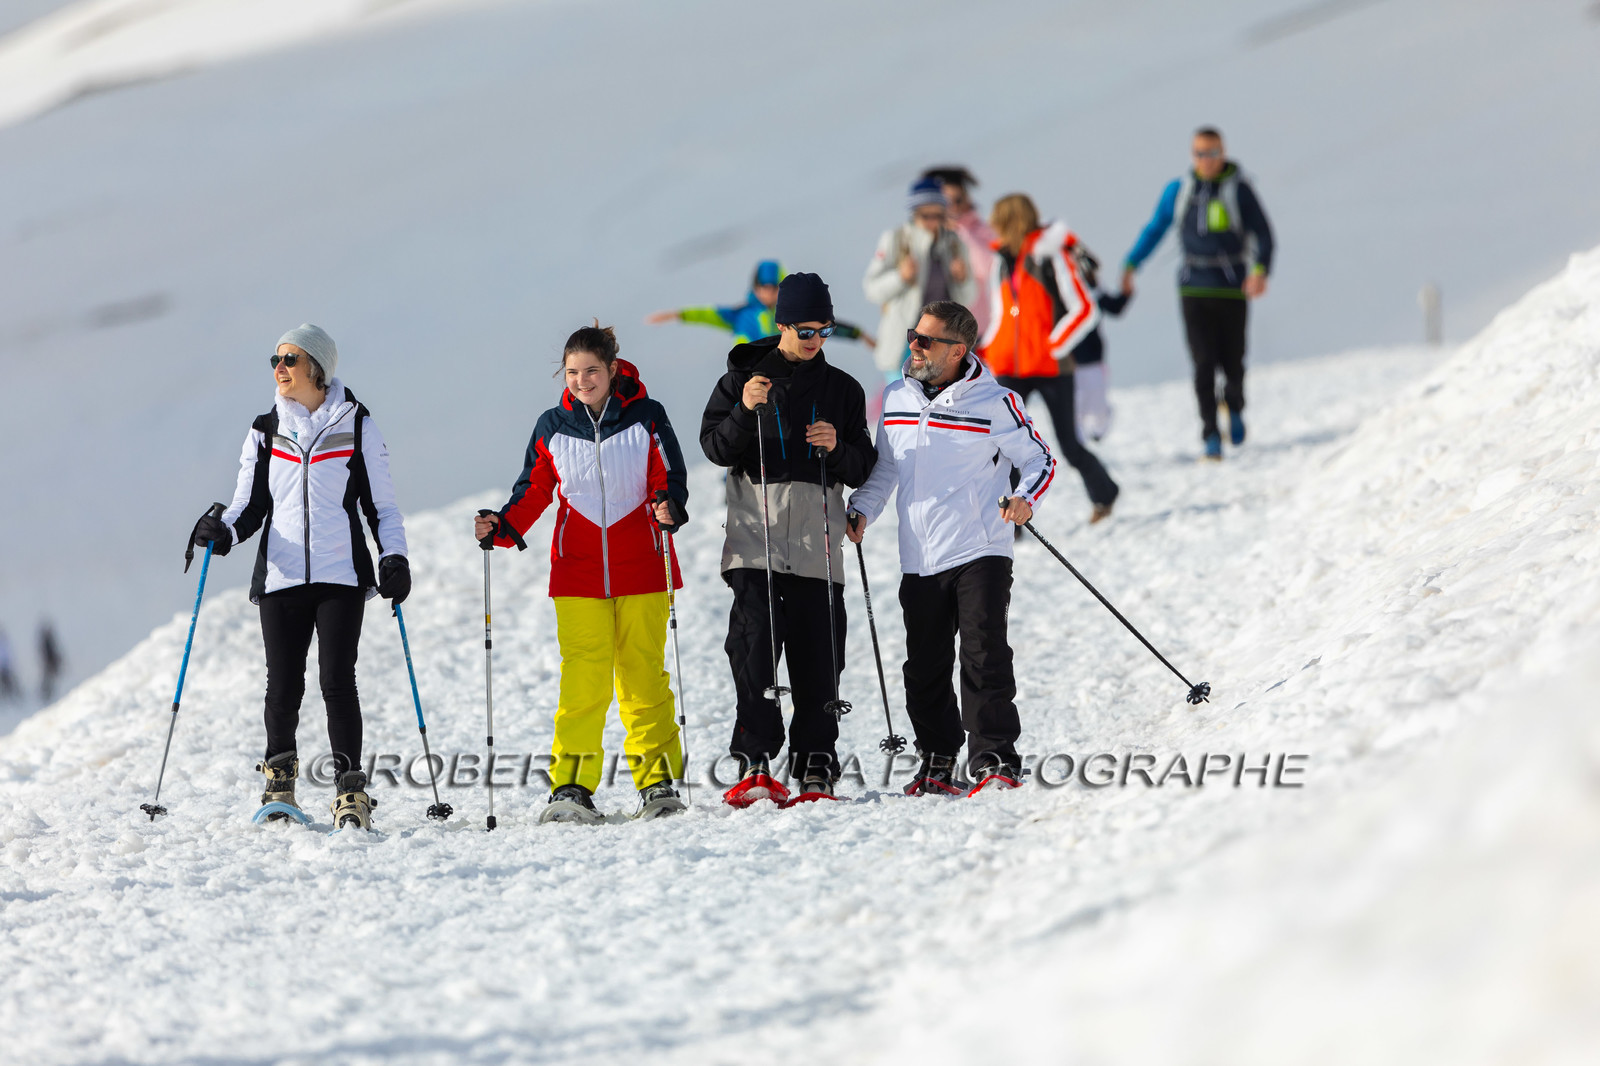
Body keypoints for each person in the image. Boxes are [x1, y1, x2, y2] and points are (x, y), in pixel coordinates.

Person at [191, 324, 410, 830]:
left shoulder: (357, 425)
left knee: (338, 682)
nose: (279, 368)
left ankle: (350, 793)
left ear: (317, 367)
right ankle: (280, 784)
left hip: (340, 575)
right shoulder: (266, 429)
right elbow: (249, 504)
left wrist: (393, 557)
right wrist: (222, 531)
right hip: (282, 575)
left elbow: (382, 506)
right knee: (283, 685)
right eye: (275, 359)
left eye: (290, 359)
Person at [476, 323, 690, 824]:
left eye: (591, 371)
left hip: (643, 568)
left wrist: (668, 507)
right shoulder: (553, 425)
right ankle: (571, 786)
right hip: (576, 574)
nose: (582, 380)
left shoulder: (647, 417)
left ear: (613, 370)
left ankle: (656, 782)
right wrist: (501, 526)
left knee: (643, 679)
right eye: (573, 372)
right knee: (583, 682)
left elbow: (669, 477)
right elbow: (533, 489)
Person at [846, 300, 1054, 794]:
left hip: (980, 545)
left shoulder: (994, 402)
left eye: (926, 340)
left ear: (958, 350)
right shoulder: (896, 397)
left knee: (984, 655)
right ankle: (936, 762)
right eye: (914, 335)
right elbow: (887, 469)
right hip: (918, 554)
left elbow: (1040, 460)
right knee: (924, 666)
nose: (913, 345)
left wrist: (1025, 500)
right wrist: (864, 509)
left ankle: (995, 760)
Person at [699, 272, 876, 803]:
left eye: (824, 330)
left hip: (816, 541)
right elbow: (713, 448)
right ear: (781, 324)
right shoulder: (741, 379)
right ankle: (755, 762)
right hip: (753, 540)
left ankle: (816, 765)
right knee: (751, 651)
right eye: (805, 329)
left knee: (820, 657)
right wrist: (743, 410)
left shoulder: (843, 389)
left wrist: (838, 447)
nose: (815, 340)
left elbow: (865, 464)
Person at [1121, 126, 1275, 459]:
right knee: (1203, 362)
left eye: (1213, 153)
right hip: (1193, 286)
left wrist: (1260, 271)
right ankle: (1210, 433)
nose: (1207, 160)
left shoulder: (1240, 190)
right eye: (1200, 154)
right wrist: (1132, 262)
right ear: (1193, 156)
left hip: (1233, 288)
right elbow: (1156, 227)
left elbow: (1264, 234)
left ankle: (1233, 405)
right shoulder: (1179, 191)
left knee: (1233, 361)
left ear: (1224, 152)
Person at [977, 193, 1120, 523]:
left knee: (1069, 444)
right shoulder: (1001, 260)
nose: (994, 229)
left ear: (1011, 221)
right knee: (1002, 447)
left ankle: (1105, 493)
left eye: (998, 222)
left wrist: (1055, 344)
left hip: (1052, 367)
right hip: (1011, 367)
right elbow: (1002, 315)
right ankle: (1008, 524)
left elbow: (1085, 307)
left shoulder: (1050, 255)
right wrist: (985, 350)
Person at [863, 178, 978, 398]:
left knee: (940, 405)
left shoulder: (954, 243)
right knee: (906, 404)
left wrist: (962, 278)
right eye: (926, 215)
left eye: (938, 215)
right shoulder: (896, 239)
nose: (932, 222)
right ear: (914, 213)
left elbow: (968, 298)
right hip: (903, 341)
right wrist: (901, 277)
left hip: (941, 340)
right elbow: (871, 288)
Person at [647, 259, 875, 347]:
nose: (767, 293)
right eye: (762, 288)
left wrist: (858, 334)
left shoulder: (795, 314)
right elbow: (707, 314)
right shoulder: (741, 315)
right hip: (747, 380)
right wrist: (676, 315)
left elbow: (822, 327)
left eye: (772, 288)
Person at [1065, 245, 1132, 443]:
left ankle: (1099, 426)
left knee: (1096, 405)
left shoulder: (1094, 290)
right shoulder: (1061, 292)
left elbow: (1115, 307)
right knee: (1075, 405)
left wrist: (1126, 293)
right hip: (1070, 359)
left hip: (1093, 358)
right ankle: (1077, 443)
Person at [921, 166, 998, 338]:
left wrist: (961, 232)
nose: (953, 208)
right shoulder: (919, 236)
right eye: (946, 202)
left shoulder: (979, 230)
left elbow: (989, 268)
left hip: (976, 327)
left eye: (958, 200)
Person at [37, 621, 62, 703]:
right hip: (48, 662)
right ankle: (45, 693)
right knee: (47, 678)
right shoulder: (46, 641)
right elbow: (47, 652)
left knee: (48, 678)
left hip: (49, 662)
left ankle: (46, 693)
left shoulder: (47, 640)